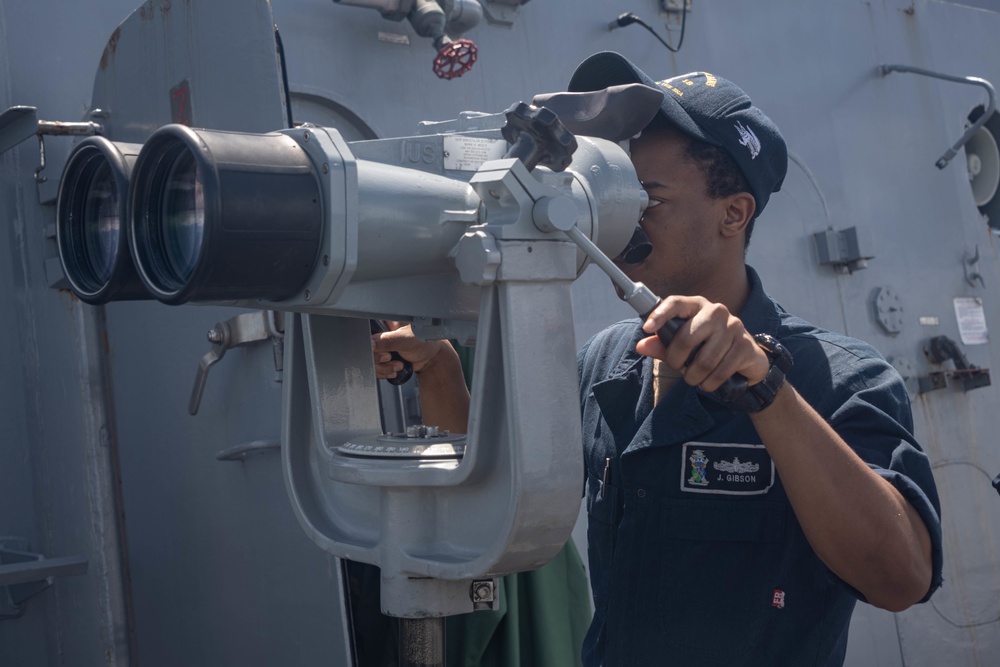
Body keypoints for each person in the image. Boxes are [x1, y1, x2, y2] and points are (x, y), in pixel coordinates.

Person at [373, 51, 943, 667]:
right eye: (616, 195)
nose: (625, 217)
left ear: (734, 213)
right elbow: (497, 493)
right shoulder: (607, 362)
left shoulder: (841, 379)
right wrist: (439, 368)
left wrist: (766, 392)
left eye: (648, 197)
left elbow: (901, 579)